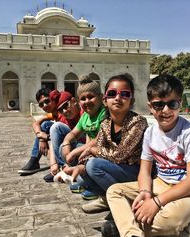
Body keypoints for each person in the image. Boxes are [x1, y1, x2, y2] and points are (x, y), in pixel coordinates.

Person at [98, 74, 190, 237]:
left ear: (180, 104)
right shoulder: (150, 133)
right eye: (159, 105)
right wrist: (145, 192)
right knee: (114, 191)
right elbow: (144, 170)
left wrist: (157, 203)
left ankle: (124, 230)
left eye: (172, 104)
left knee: (172, 221)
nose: (166, 110)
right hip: (162, 182)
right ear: (150, 106)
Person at [65, 74, 148, 212]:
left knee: (92, 165)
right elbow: (99, 148)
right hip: (115, 169)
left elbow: (119, 155)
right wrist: (81, 166)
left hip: (134, 172)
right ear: (105, 100)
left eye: (125, 94)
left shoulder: (138, 123)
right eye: (112, 93)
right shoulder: (106, 124)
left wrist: (92, 151)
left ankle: (124, 203)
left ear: (131, 100)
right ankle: (108, 199)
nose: (118, 98)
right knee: (82, 178)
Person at [57, 75, 106, 197]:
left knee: (83, 166)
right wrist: (66, 143)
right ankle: (82, 178)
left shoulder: (103, 113)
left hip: (102, 153)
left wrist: (74, 152)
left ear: (100, 98)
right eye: (83, 99)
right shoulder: (85, 116)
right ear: (79, 102)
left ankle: (95, 187)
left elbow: (100, 139)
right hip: (88, 152)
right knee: (63, 148)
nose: (87, 101)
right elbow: (73, 133)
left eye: (91, 97)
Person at [18, 88, 78, 176]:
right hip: (67, 137)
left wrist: (45, 137)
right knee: (45, 125)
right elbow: (36, 123)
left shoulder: (64, 110)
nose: (45, 106)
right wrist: (41, 138)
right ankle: (34, 160)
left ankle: (61, 166)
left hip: (74, 138)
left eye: (47, 101)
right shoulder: (54, 113)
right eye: (41, 104)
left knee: (54, 126)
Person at [42, 90, 83, 181]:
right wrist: (53, 163)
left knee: (62, 146)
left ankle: (69, 169)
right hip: (72, 150)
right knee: (55, 127)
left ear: (73, 100)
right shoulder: (63, 118)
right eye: (60, 110)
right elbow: (53, 141)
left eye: (65, 106)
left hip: (84, 148)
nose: (64, 111)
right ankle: (62, 168)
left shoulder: (84, 112)